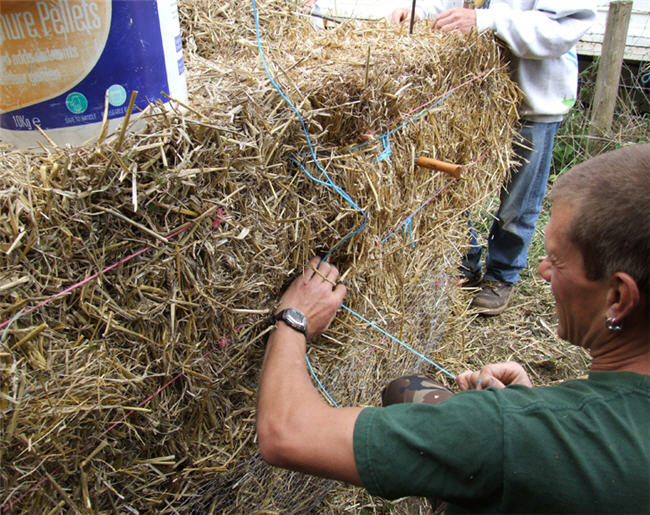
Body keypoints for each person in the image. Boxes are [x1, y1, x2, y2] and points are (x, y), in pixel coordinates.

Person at [257, 144, 650, 512]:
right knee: (404, 389)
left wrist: (295, 318)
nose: (542, 271)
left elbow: (286, 434)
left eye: (557, 260)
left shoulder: (506, 430)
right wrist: (532, 409)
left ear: (617, 297)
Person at [388, 0, 596, 315]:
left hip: (531, 102)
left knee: (517, 203)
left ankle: (501, 274)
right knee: (454, 189)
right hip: (471, 99)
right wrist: (422, 13)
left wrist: (486, 20)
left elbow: (560, 29)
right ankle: (464, 263)